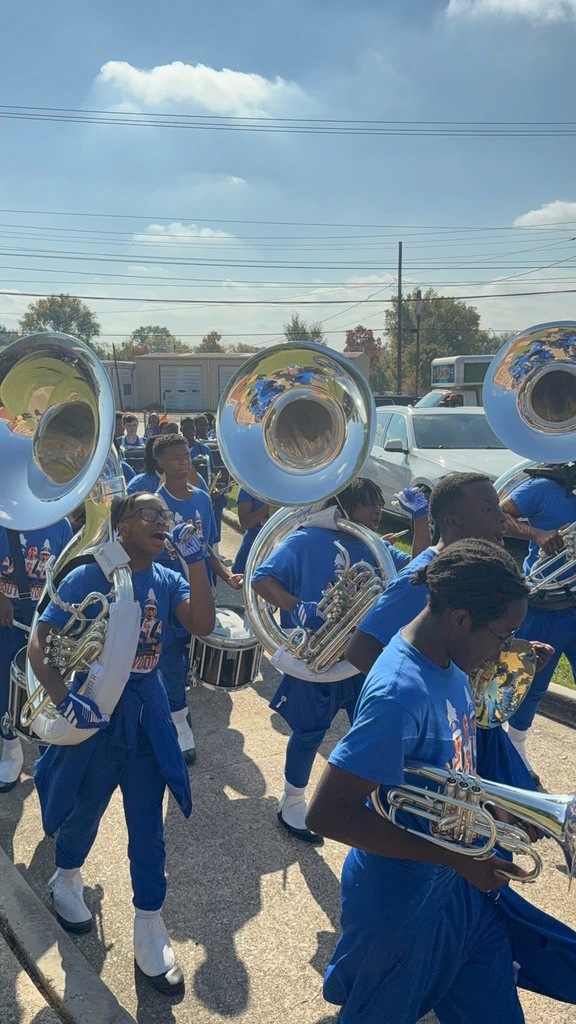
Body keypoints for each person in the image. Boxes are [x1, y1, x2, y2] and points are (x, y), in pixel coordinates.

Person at [306, 540, 572, 1024]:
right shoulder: (399, 694)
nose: (507, 646)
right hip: (402, 905)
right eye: (503, 633)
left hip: (458, 888)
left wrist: (499, 813)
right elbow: (325, 813)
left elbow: (452, 768)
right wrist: (452, 857)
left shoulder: (449, 662)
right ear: (460, 618)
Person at [27, 491, 215, 994]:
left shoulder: (169, 577)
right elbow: (38, 644)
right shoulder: (88, 574)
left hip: (146, 712)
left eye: (165, 514)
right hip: (94, 713)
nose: (162, 520)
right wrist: (64, 697)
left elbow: (202, 624)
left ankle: (150, 923)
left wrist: (197, 563)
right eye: (149, 514)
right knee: (84, 806)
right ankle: (65, 877)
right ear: (123, 526)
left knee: (147, 824)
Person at [345, 472, 554, 789]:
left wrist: (510, 662)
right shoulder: (422, 578)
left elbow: (456, 660)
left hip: (461, 718)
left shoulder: (469, 576)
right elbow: (359, 650)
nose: (502, 519)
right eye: (488, 510)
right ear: (452, 521)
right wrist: (426, 706)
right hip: (440, 725)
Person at [250, 478, 411, 844]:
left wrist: (421, 523)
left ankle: (372, 800)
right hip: (316, 658)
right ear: (346, 506)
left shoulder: (375, 547)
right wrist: (297, 606)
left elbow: (417, 571)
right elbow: (261, 579)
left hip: (361, 658)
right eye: (369, 504)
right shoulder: (306, 539)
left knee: (372, 731)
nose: (377, 512)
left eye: (379, 504)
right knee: (309, 734)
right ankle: (291, 800)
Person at [153, 433, 243, 761]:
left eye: (186, 455)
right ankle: (180, 722)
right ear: (159, 463)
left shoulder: (203, 499)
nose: (184, 461)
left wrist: (226, 575)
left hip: (200, 589)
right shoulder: (153, 503)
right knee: (171, 658)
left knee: (199, 651)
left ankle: (177, 702)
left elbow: (206, 548)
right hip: (167, 595)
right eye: (176, 457)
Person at [500, 462, 576, 781]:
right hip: (545, 603)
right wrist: (539, 534)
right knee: (529, 681)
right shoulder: (542, 488)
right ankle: (513, 748)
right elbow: (498, 516)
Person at [0, 518, 73, 791]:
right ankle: (10, 746)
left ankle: (48, 750)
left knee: (47, 686)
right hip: (4, 619)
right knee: (3, 686)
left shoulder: (60, 522)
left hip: (45, 617)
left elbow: (69, 572)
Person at [232, 489, 274, 574]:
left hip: (282, 543)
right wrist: (269, 506)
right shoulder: (249, 486)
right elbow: (245, 523)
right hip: (255, 543)